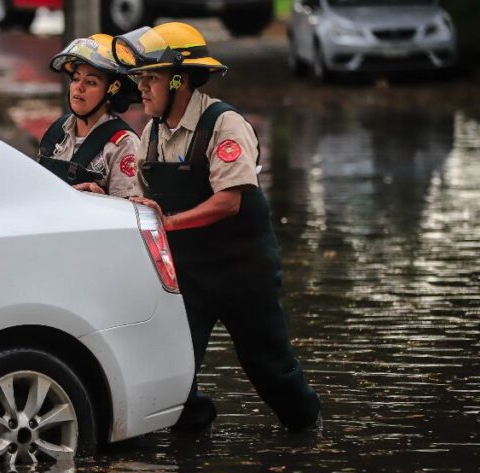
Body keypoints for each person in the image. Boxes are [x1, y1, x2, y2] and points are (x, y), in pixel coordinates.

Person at [113, 22, 322, 431]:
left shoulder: (226, 125)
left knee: (268, 365)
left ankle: (308, 431)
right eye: (140, 79)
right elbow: (140, 202)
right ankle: (190, 438)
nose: (141, 88)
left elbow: (228, 202)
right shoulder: (150, 133)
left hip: (244, 272)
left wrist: (168, 222)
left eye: (150, 78)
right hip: (189, 276)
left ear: (179, 79)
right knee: (174, 364)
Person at [38, 33, 142, 198]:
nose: (79, 87)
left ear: (111, 92)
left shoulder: (124, 145)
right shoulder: (57, 131)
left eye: (91, 82)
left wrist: (99, 198)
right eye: (76, 78)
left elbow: (126, 214)